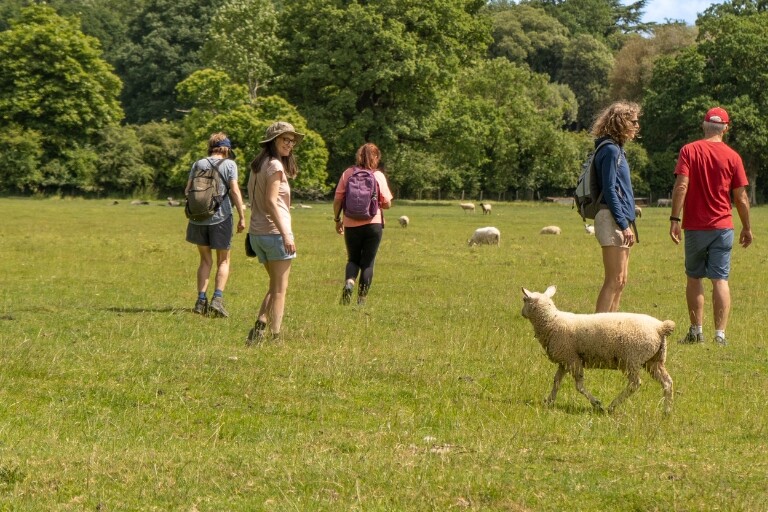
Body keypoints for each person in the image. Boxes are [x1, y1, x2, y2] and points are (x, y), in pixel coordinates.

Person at [669, 107, 752, 346]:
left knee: (694, 277)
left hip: (695, 226)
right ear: (726, 128)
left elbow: (681, 186)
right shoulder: (733, 156)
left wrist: (674, 219)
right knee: (720, 279)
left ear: (704, 125)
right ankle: (720, 335)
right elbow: (741, 197)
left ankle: (696, 332)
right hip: (723, 226)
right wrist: (746, 227)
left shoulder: (689, 150)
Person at [245, 121, 303, 344]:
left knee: (275, 284)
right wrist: (286, 234)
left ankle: (260, 324)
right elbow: (271, 202)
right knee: (280, 289)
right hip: (274, 233)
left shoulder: (258, 164)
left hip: (257, 234)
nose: (289, 144)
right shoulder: (275, 166)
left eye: (292, 141)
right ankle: (275, 336)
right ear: (273, 141)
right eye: (285, 140)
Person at [185, 132, 246, 317]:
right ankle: (217, 300)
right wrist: (242, 216)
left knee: (205, 260)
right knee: (223, 260)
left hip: (198, 218)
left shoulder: (198, 164)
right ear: (226, 148)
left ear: (211, 147)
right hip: (221, 217)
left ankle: (200, 301)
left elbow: (187, 190)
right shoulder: (230, 164)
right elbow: (234, 191)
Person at [590, 101, 641, 313]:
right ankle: (597, 329)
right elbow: (609, 189)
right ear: (621, 122)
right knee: (614, 280)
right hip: (611, 218)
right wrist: (623, 224)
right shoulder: (610, 150)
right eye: (633, 122)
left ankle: (613, 327)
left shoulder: (617, 149)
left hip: (619, 218)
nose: (637, 126)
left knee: (621, 281)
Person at [332, 143, 393, 305]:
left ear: (358, 156)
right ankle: (361, 301)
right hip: (373, 224)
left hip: (351, 224)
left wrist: (337, 220)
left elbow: (338, 200)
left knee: (353, 259)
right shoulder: (378, 176)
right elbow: (387, 203)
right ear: (376, 157)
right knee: (368, 263)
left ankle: (349, 282)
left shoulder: (348, 173)